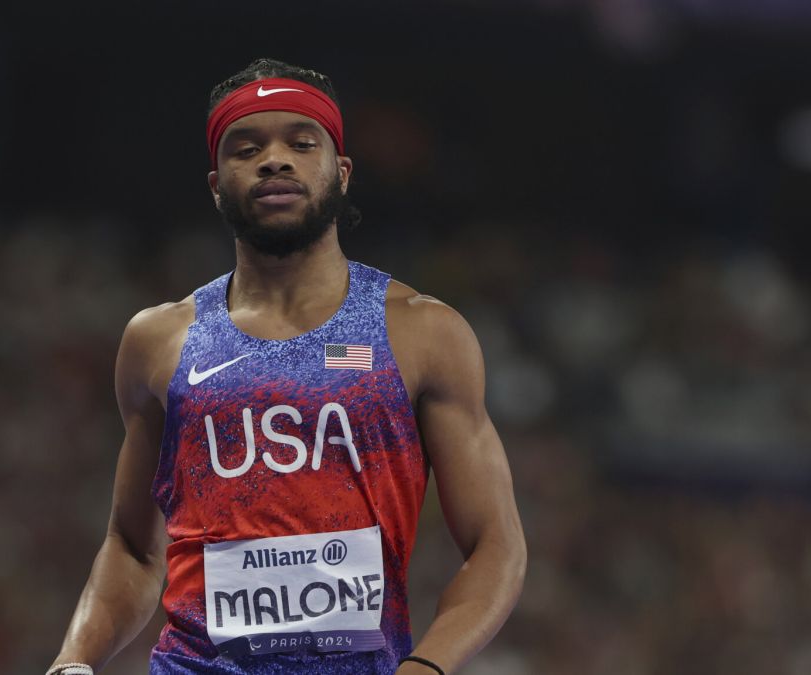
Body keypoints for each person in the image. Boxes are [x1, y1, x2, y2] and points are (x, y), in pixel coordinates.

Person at [47, 58, 527, 675]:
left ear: (342, 172)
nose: (274, 160)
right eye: (247, 149)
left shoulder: (423, 333)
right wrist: (73, 661)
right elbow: (134, 549)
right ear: (216, 184)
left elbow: (495, 546)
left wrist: (426, 668)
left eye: (301, 143)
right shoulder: (159, 341)